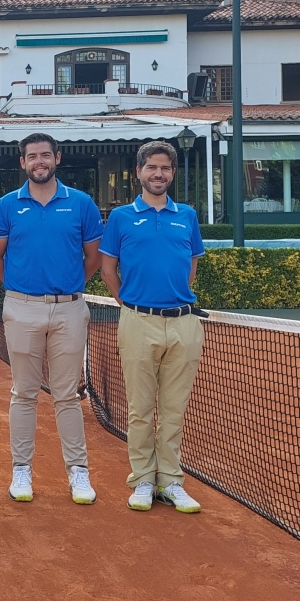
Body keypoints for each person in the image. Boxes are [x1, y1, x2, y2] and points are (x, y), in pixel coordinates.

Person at [0, 132, 103, 505]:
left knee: (67, 395)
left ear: (57, 158)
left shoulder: (81, 203)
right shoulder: (6, 205)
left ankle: (78, 473)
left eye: (45, 155)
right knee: (24, 393)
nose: (39, 161)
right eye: (32, 156)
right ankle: (22, 469)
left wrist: (67, 288)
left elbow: (94, 257)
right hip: (21, 308)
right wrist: (23, 290)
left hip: (70, 309)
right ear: (22, 162)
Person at [100, 141, 206, 514]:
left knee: (174, 410)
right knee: (141, 409)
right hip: (137, 322)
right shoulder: (121, 217)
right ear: (139, 172)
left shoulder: (187, 216)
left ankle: (171, 482)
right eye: (152, 168)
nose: (158, 174)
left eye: (165, 168)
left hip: (185, 324)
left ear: (172, 173)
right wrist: (129, 305)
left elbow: (191, 263)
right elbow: (108, 269)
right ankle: (143, 480)